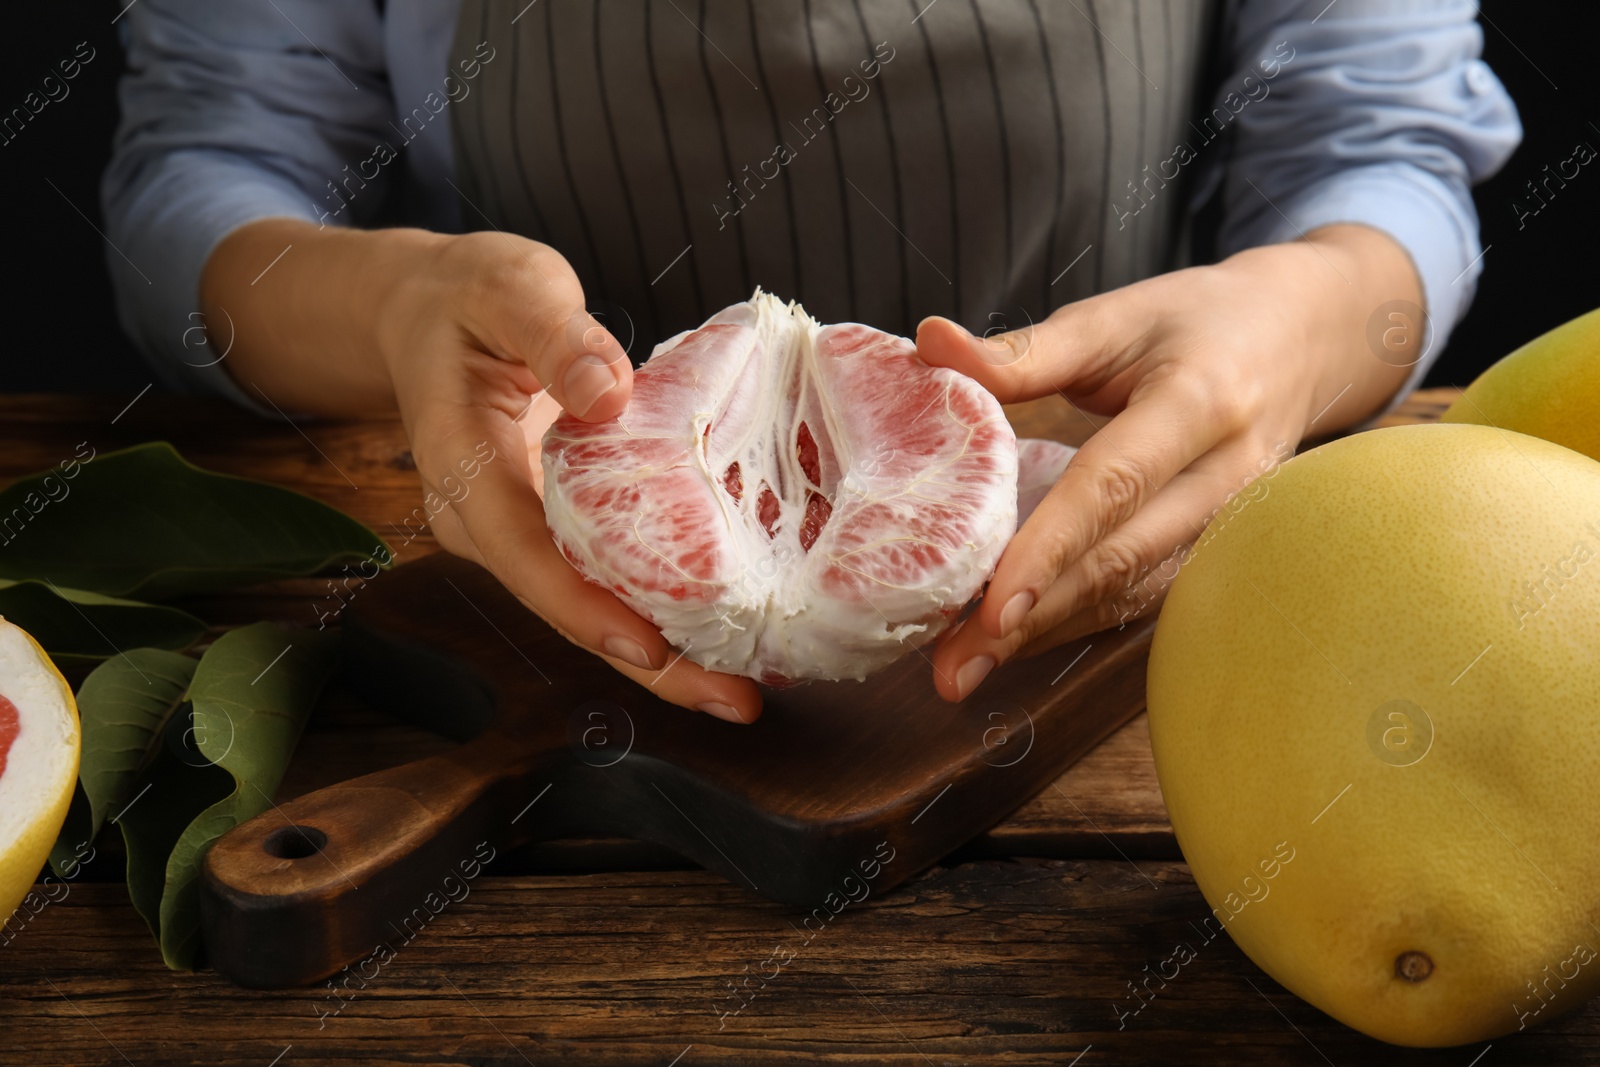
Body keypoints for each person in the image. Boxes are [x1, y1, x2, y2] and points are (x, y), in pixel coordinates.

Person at [103, 0, 1519, 723]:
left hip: (1117, 622)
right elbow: (206, 177)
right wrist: (401, 306)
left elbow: (1382, 157)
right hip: (543, 619)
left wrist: (1291, 329)